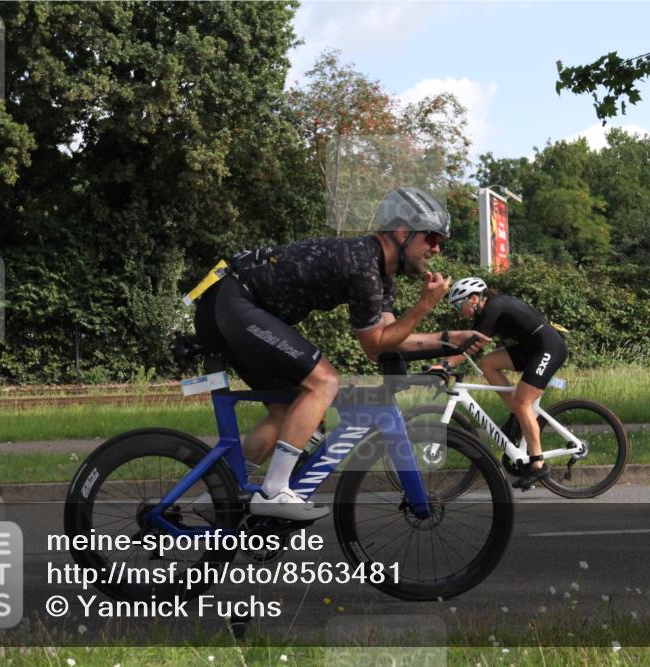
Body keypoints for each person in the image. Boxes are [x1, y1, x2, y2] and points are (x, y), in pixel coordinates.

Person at [193, 187, 489, 520]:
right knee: (325, 381)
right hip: (234, 302)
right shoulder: (362, 267)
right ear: (403, 232)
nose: (437, 248)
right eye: (432, 238)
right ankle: (274, 490)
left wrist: (448, 339)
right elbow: (375, 344)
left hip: (234, 306)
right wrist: (424, 306)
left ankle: (219, 493)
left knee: (285, 410)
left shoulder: (380, 274)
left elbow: (390, 339)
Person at [444, 277, 568, 489]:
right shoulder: (488, 309)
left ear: (474, 299)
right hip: (532, 347)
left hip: (548, 348)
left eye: (458, 304)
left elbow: (474, 343)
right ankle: (517, 416)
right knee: (489, 363)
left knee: (523, 403)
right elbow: (466, 344)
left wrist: (445, 365)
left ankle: (538, 463)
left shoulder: (494, 306)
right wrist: (444, 358)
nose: (458, 310)